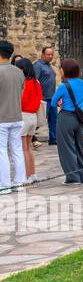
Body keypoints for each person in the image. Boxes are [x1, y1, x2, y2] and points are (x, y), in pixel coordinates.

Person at [51, 59, 83, 185]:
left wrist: (61, 101)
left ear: (65, 69)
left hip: (66, 117)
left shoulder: (63, 85)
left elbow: (53, 102)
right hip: (79, 118)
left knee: (66, 148)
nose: (60, 70)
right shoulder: (82, 83)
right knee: (79, 147)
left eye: (61, 68)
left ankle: (73, 178)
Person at [0, 41, 25, 192]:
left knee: (1, 151)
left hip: (1, 118)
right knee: (17, 150)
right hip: (17, 116)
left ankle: (4, 184)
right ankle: (19, 182)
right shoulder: (19, 72)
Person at [15, 57, 40, 183]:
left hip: (23, 115)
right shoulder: (36, 82)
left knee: (22, 148)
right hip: (32, 116)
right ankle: (32, 174)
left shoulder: (25, 83)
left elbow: (22, 101)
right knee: (28, 148)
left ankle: (25, 175)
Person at [34, 44, 56, 146]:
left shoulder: (49, 66)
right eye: (48, 54)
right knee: (39, 121)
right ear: (42, 54)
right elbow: (34, 82)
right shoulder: (38, 65)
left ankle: (53, 139)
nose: (50, 56)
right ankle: (31, 138)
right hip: (42, 98)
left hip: (52, 98)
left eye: (51, 54)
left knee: (53, 120)